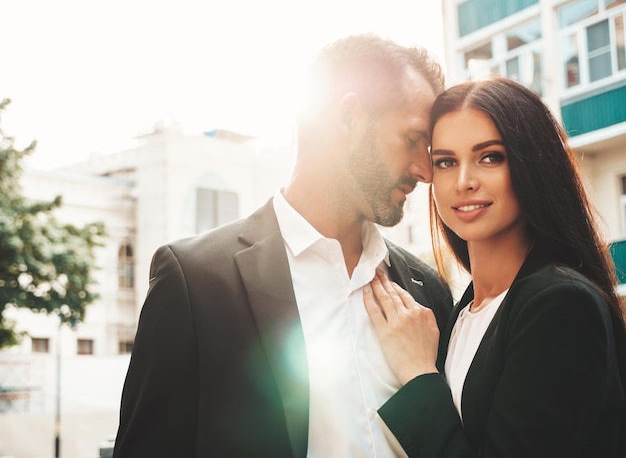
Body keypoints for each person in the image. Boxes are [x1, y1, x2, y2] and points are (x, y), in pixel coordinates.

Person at [112, 34, 453, 457]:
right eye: (411, 140)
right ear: (348, 119)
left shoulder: (428, 291)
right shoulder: (195, 282)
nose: (425, 170)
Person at [364, 76, 626, 457]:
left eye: (490, 157)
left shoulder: (561, 305)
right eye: (446, 162)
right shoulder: (462, 314)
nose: (464, 181)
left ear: (531, 165)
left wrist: (419, 375)